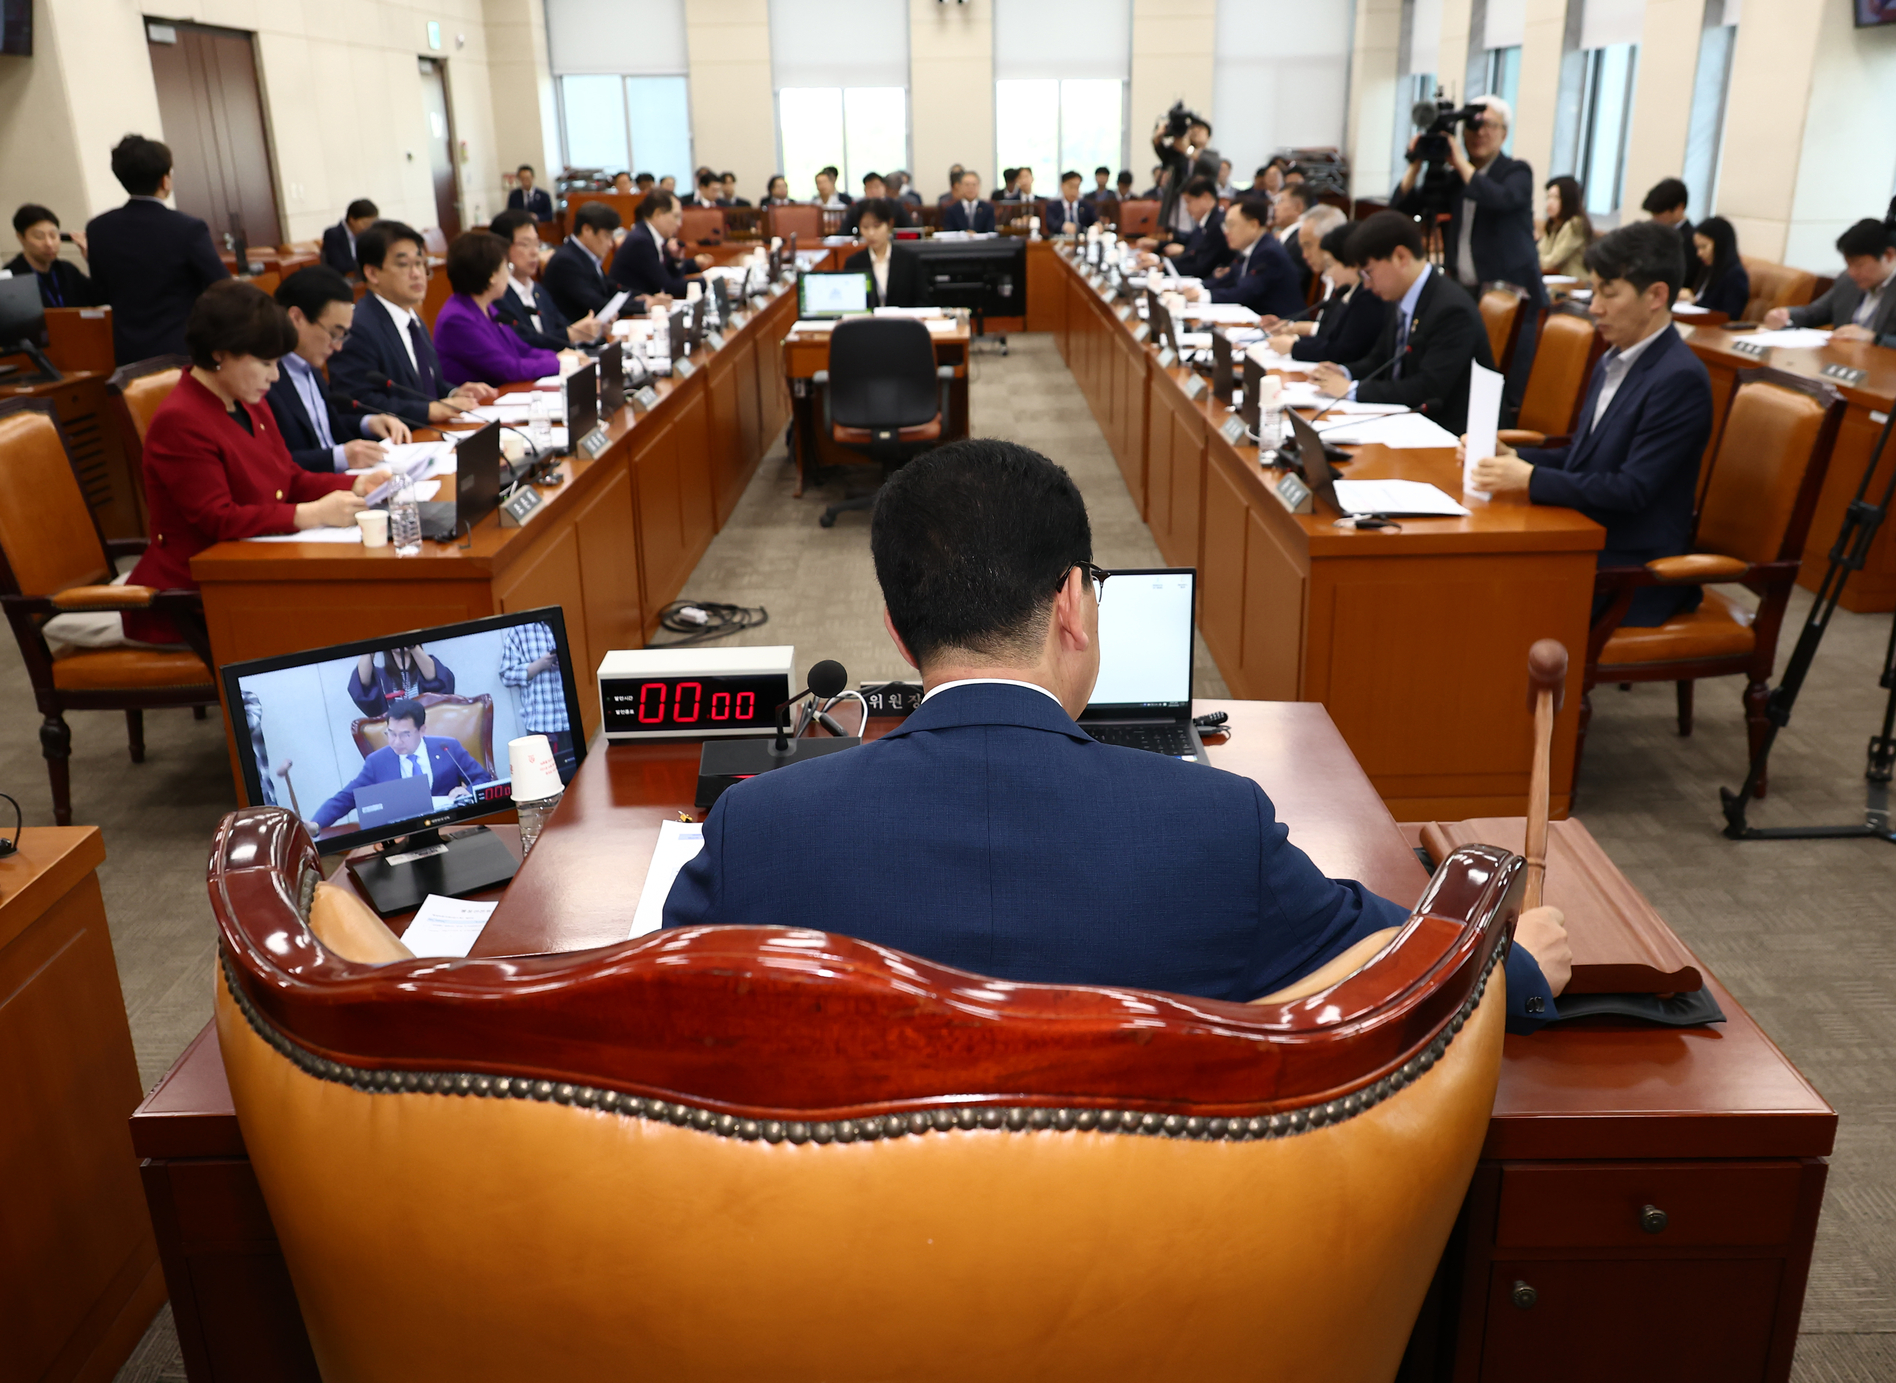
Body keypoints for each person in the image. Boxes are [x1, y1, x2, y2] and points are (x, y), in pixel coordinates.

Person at [661, 438, 1569, 1027]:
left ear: (898, 633)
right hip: (1147, 1256)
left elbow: (659, 1009)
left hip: (851, 1249)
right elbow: (1418, 970)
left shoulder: (758, 829)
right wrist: (1522, 961)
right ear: (1071, 603)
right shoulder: (1217, 828)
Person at [1469, 222, 1713, 628]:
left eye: (1608, 293)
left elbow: (1631, 489)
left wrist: (1529, 479)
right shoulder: (1612, 360)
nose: (1594, 307)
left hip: (1633, 570)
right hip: (1587, 537)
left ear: (1656, 296)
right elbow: (1583, 458)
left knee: (1494, 586)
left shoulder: (1679, 378)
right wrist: (1515, 458)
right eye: (1593, 291)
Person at [124, 281, 390, 646]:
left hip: (254, 569)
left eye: (277, 362)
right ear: (219, 354)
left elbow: (288, 477)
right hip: (195, 596)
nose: (275, 376)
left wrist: (356, 484)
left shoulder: (248, 400)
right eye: (265, 363)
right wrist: (311, 514)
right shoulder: (180, 420)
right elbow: (219, 518)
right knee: (345, 618)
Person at [1392, 94, 1545, 408]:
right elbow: (1402, 208)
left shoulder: (1517, 171)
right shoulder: (1456, 180)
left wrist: (1460, 162)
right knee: (1470, 383)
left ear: (1504, 133)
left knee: (1507, 383)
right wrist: (1416, 164)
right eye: (1472, 128)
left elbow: (1500, 199)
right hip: (1468, 294)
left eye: (1488, 126)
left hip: (1514, 298)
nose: (1479, 134)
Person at [1311, 211, 1494, 436]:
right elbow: (1380, 360)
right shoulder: (1399, 298)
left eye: (1369, 273)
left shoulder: (1451, 310)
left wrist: (1352, 390)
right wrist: (1343, 372)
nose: (1367, 285)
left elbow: (1428, 389)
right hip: (1404, 424)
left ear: (1400, 257)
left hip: (1450, 434)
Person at [331, 220, 495, 426]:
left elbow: (425, 387)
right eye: (403, 265)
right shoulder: (358, 327)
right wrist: (427, 411)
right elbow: (360, 402)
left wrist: (453, 393)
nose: (417, 274)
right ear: (372, 273)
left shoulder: (412, 319)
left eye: (419, 263)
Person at [85, 134, 230, 364]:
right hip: (182, 350)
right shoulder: (188, 228)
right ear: (165, 180)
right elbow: (222, 286)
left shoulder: (97, 229)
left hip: (129, 353)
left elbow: (101, 294)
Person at [267, 266, 412, 474]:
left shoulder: (310, 365)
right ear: (296, 318)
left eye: (343, 335)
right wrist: (339, 457)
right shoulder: (265, 378)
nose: (338, 347)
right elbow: (271, 463)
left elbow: (324, 427)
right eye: (334, 333)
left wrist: (369, 423)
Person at [309, 699, 493, 831]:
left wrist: (467, 791)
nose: (396, 742)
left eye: (405, 734)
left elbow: (483, 779)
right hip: (403, 835)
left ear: (421, 731)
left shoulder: (447, 747)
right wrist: (316, 824)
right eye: (391, 733)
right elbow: (347, 797)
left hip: (449, 827)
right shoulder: (377, 761)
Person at [433, 230, 584, 388]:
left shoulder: (487, 308)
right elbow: (508, 369)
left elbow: (523, 350)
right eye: (507, 267)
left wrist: (560, 357)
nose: (509, 275)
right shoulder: (457, 320)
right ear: (492, 276)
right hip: (483, 400)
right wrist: (560, 363)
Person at [1765, 219, 1896, 348]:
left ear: (1889, 255)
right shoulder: (1847, 280)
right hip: (1841, 361)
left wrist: (1874, 338)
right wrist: (1786, 315)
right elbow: (1814, 313)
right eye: (1848, 265)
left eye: (1859, 265)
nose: (1851, 272)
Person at [1267, 220, 1388, 365]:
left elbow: (1343, 352)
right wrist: (1294, 332)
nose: (1328, 274)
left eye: (1330, 265)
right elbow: (1327, 334)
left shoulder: (1367, 298)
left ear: (1352, 264)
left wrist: (1294, 347)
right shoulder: (1347, 292)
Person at [486, 209, 600, 353]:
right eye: (525, 244)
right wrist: (570, 334)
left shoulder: (538, 290)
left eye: (536, 243)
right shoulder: (497, 296)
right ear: (502, 249)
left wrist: (591, 330)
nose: (534, 252)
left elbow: (561, 326)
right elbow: (520, 343)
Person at [1190, 195, 1303, 318]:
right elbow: (1228, 279)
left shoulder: (1269, 253)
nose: (1226, 231)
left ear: (1253, 225)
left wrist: (1201, 296)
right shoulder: (1250, 249)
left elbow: (1243, 293)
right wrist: (1198, 288)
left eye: (1231, 225)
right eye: (1225, 225)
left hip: (1280, 323)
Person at [547, 200, 651, 322]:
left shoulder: (586, 255)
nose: (610, 244)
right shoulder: (565, 262)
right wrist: (644, 306)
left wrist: (643, 297)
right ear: (587, 230)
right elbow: (597, 304)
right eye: (607, 236)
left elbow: (610, 288)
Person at [499, 621, 577, 779]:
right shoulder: (519, 631)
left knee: (577, 779)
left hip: (572, 723)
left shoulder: (571, 622)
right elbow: (506, 675)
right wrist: (539, 664)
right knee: (546, 782)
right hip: (541, 726)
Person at [611, 191, 710, 300]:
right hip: (633, 306)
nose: (679, 224)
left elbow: (671, 277)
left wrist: (677, 260)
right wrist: (708, 282)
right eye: (676, 216)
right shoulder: (641, 241)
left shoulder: (653, 237)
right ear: (658, 214)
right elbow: (668, 287)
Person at [3, 205, 100, 308]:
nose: (49, 244)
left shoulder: (67, 270)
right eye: (39, 237)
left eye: (53, 235)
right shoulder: (11, 277)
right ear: (21, 238)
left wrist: (91, 258)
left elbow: (100, 297)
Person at [348, 647, 455, 717]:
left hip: (430, 729)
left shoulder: (426, 668)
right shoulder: (381, 676)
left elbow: (440, 684)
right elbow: (361, 687)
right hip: (397, 737)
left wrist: (413, 645)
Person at [855, 199, 922, 309]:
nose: (871, 233)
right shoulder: (854, 262)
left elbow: (922, 301)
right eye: (865, 227)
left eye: (877, 226)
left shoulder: (909, 260)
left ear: (889, 224)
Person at [1159, 177, 1226, 276]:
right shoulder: (1205, 223)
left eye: (1189, 202)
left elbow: (1200, 266)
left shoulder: (1217, 225)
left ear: (1206, 197)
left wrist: (1163, 266)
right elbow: (1190, 246)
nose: (1187, 208)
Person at [1688, 216, 1750, 319]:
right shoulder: (1708, 267)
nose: (1699, 253)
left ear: (1720, 245)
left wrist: (1694, 302)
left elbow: (1730, 315)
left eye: (1703, 247)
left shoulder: (1735, 275)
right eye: (1697, 248)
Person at [1536, 176, 1591, 282]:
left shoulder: (1575, 224)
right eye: (1548, 197)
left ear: (1568, 200)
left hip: (1575, 283)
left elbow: (1551, 262)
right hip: (1558, 280)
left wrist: (1530, 260)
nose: (1550, 203)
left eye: (1556, 198)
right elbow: (1540, 252)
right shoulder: (1555, 223)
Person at [1273, 182, 1316, 297]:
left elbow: (1288, 284)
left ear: (1298, 207)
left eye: (1280, 201)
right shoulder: (1289, 238)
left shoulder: (1299, 241)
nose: (1275, 207)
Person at [840, 172, 908, 233]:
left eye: (876, 187)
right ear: (865, 190)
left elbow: (908, 228)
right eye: (870, 187)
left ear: (884, 187)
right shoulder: (857, 208)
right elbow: (844, 231)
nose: (873, 191)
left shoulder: (895, 205)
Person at [1642, 177, 1692, 245]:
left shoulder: (1692, 241)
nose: (1654, 218)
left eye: (1659, 213)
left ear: (1679, 208)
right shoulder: (1652, 235)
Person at [1044, 171, 1093, 236]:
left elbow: (1094, 222)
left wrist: (1098, 225)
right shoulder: (1052, 207)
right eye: (1071, 186)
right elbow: (1051, 224)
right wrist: (1063, 226)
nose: (1074, 191)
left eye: (1077, 187)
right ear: (1062, 186)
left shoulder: (1086, 206)